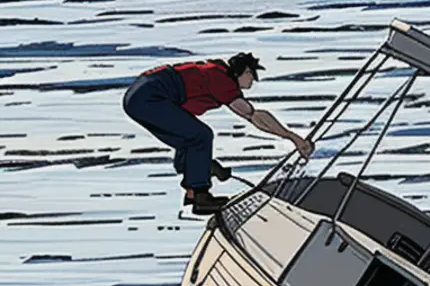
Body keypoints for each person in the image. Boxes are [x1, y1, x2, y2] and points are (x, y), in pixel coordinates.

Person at [123, 53, 314, 215]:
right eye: (252, 76)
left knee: (189, 139)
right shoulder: (222, 80)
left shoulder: (216, 73)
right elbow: (253, 115)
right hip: (149, 97)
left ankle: (193, 190)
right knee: (201, 136)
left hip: (139, 96)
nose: (252, 82)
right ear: (245, 71)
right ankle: (201, 197)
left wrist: (206, 165)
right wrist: (293, 137)